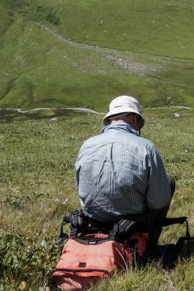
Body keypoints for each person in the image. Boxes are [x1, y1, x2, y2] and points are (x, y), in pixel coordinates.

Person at [75, 95, 175, 252]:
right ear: (135, 119)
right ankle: (149, 242)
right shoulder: (146, 147)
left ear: (109, 120)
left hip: (94, 219)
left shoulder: (86, 145)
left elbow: (81, 190)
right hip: (131, 222)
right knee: (168, 182)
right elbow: (157, 202)